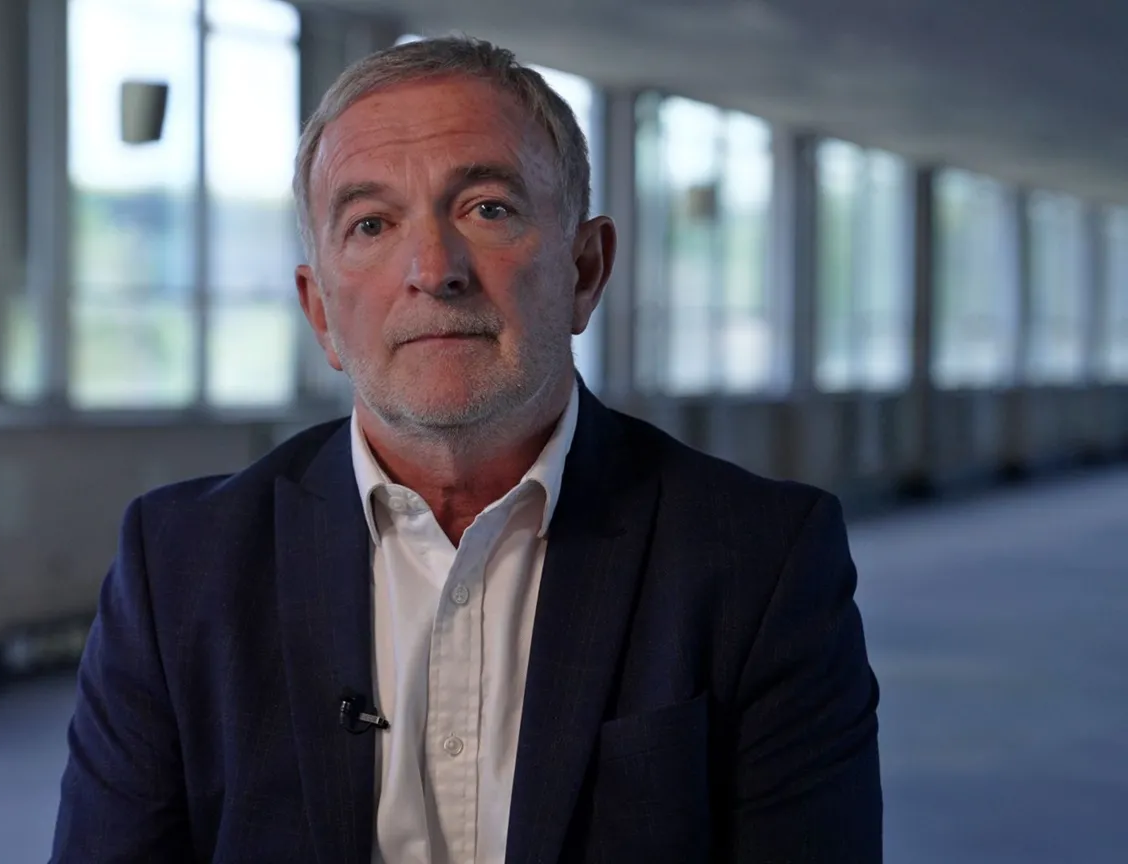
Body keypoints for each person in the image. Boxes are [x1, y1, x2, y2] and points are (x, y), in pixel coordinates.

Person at [50, 35, 881, 864]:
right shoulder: (181, 567)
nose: (433, 269)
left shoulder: (760, 562)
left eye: (488, 209)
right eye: (371, 224)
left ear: (585, 269)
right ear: (320, 313)